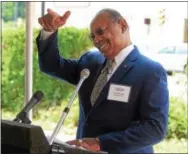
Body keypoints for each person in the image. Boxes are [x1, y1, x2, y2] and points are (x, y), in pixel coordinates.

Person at [36, 8, 169, 154]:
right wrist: (48, 31)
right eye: (92, 37)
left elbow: (155, 128)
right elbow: (51, 65)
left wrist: (101, 143)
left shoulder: (150, 71)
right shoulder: (90, 61)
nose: (96, 40)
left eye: (100, 32)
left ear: (122, 25)